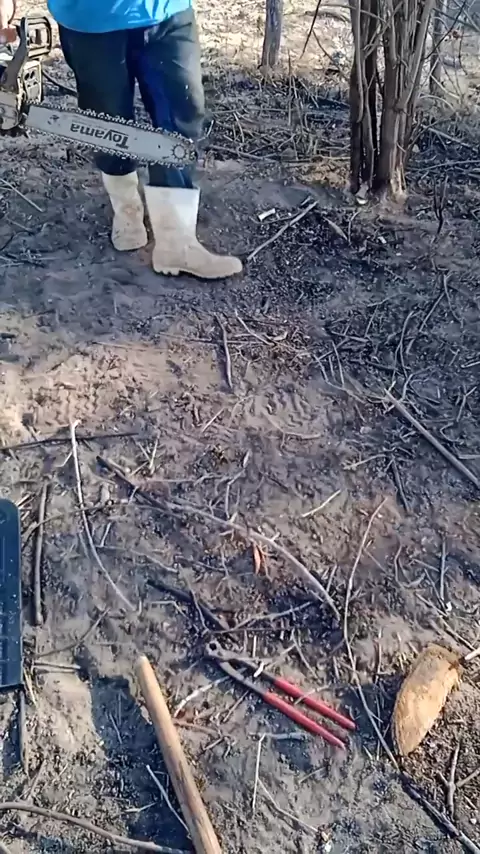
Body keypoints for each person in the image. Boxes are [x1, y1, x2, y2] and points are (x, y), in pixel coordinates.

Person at [0, 0, 242, 280]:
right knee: (107, 122)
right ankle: (127, 210)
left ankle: (177, 242)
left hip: (167, 11)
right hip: (90, 19)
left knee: (181, 114)